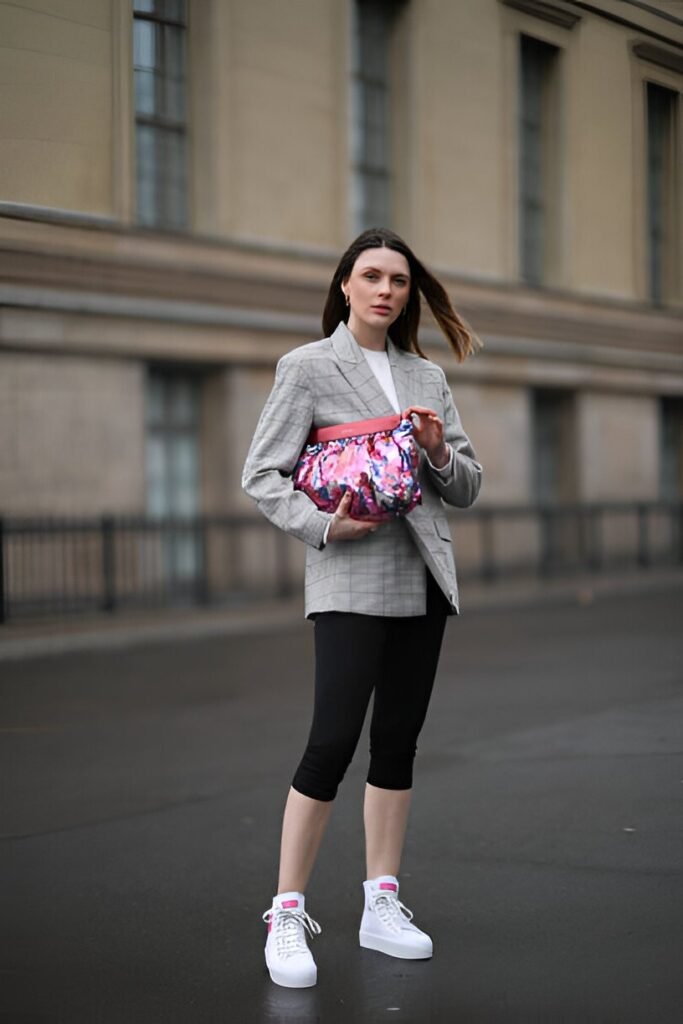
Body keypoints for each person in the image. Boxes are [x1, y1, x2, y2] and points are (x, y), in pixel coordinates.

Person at [242, 227, 483, 988]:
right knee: (331, 742)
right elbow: (262, 474)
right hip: (349, 577)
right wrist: (323, 526)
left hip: (422, 578)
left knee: (397, 744)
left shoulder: (425, 376)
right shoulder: (308, 368)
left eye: (399, 281)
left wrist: (441, 452)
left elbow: (469, 484)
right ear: (345, 284)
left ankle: (381, 902)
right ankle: (286, 912)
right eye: (370, 276)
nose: (385, 290)